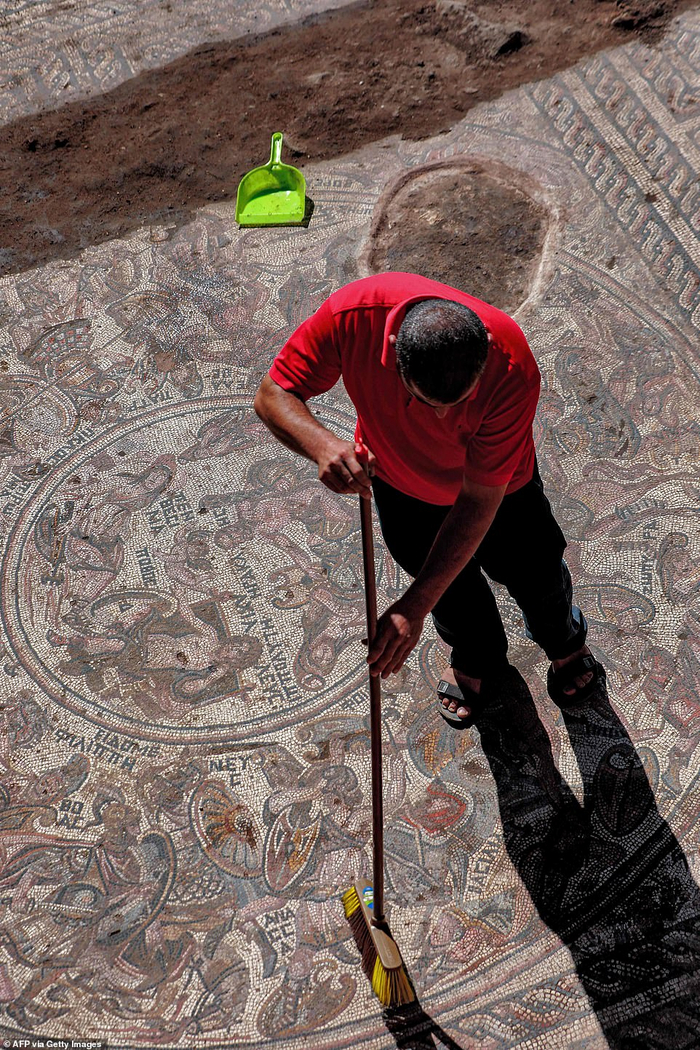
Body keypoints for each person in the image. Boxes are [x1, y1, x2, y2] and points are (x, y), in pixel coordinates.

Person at [254, 271, 604, 727]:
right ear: (393, 351)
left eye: (461, 400)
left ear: (484, 351)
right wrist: (322, 445)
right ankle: (476, 655)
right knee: (450, 592)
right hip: (400, 484)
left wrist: (411, 607)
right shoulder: (352, 316)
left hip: (503, 491)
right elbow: (273, 394)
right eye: (425, 399)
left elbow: (478, 501)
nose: (443, 418)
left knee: (536, 573)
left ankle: (564, 642)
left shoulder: (511, 364)